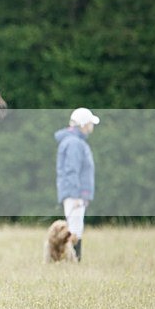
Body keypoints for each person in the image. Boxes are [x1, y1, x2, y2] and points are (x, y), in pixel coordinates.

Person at [54, 107, 100, 261]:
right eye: (90, 123)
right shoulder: (74, 143)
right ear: (83, 124)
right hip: (75, 193)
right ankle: (72, 260)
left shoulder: (75, 141)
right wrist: (75, 195)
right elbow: (72, 171)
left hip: (76, 192)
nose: (92, 127)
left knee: (76, 226)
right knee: (74, 228)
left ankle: (73, 260)